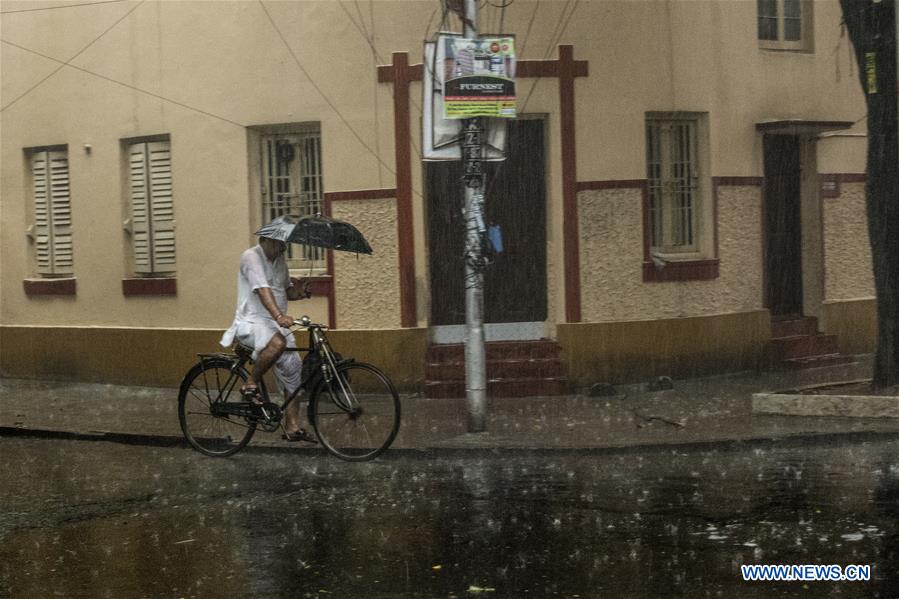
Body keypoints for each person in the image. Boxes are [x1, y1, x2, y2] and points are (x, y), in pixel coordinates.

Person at [220, 234, 315, 443]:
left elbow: (284, 290)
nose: (284, 248)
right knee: (278, 344)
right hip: (252, 322)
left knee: (294, 372)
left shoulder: (280, 261)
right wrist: (279, 316)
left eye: (286, 244)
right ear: (268, 240)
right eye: (281, 244)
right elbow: (263, 290)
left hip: (274, 324)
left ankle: (292, 426)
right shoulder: (251, 257)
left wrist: (300, 291)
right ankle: (250, 383)